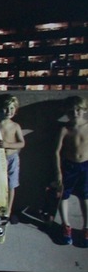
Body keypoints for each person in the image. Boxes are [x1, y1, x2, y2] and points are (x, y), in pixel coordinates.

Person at [53, 94, 88, 247]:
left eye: (78, 110)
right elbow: (56, 151)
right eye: (71, 111)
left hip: (86, 166)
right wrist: (58, 171)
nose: (75, 113)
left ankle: (86, 227)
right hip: (69, 166)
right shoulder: (65, 129)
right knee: (63, 195)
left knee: (85, 196)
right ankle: (65, 226)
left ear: (84, 110)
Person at [0, 95, 25, 230]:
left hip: (12, 159)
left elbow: (22, 143)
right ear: (1, 109)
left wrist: (7, 144)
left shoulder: (15, 126)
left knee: (11, 185)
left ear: (15, 110)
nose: (9, 111)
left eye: (12, 108)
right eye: (6, 108)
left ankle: (8, 211)